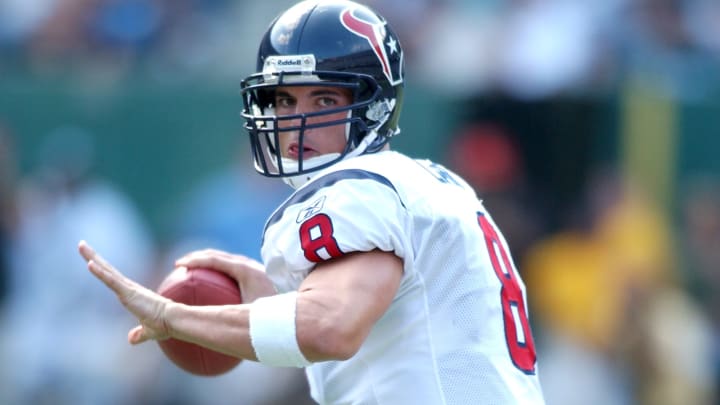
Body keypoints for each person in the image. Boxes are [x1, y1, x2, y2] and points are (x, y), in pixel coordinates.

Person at [78, 1, 545, 403]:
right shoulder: (423, 183)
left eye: (322, 100)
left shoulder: (362, 192)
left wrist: (175, 317)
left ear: (374, 107)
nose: (295, 120)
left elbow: (330, 327)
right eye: (283, 100)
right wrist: (279, 291)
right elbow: (392, 311)